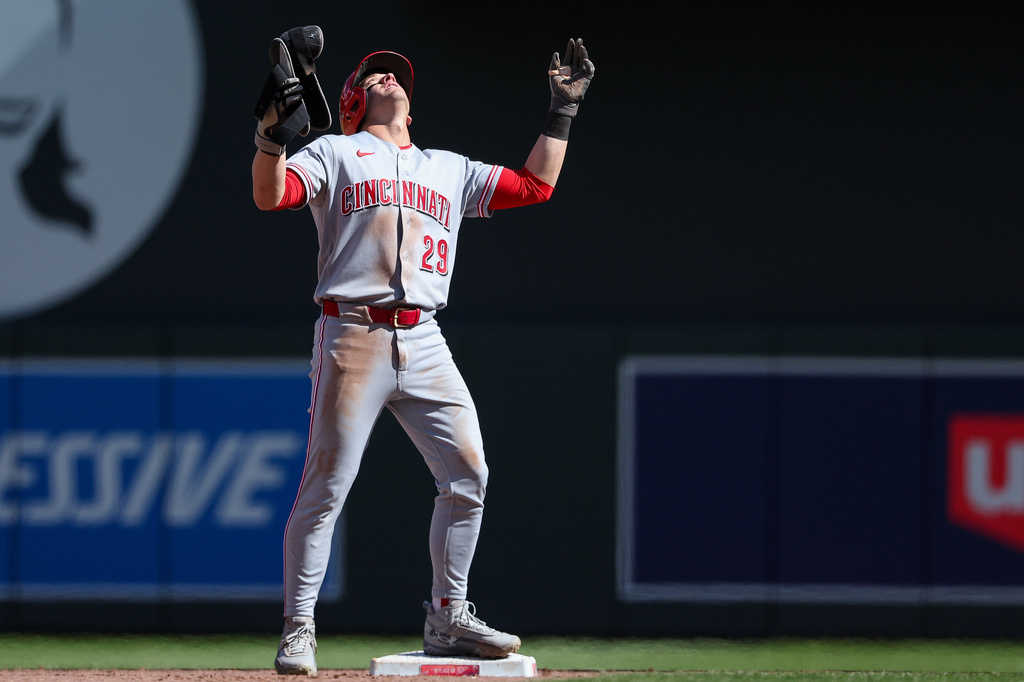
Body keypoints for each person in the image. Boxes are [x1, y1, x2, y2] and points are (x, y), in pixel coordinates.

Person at [251, 29, 594, 676]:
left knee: (469, 476)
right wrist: (270, 138)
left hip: (426, 338)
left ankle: (447, 615)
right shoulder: (335, 151)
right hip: (352, 333)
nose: (388, 78)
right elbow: (271, 195)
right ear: (350, 101)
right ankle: (299, 629)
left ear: (411, 104)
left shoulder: (449, 167)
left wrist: (562, 110)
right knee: (325, 490)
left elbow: (535, 187)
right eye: (373, 76)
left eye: (395, 75)